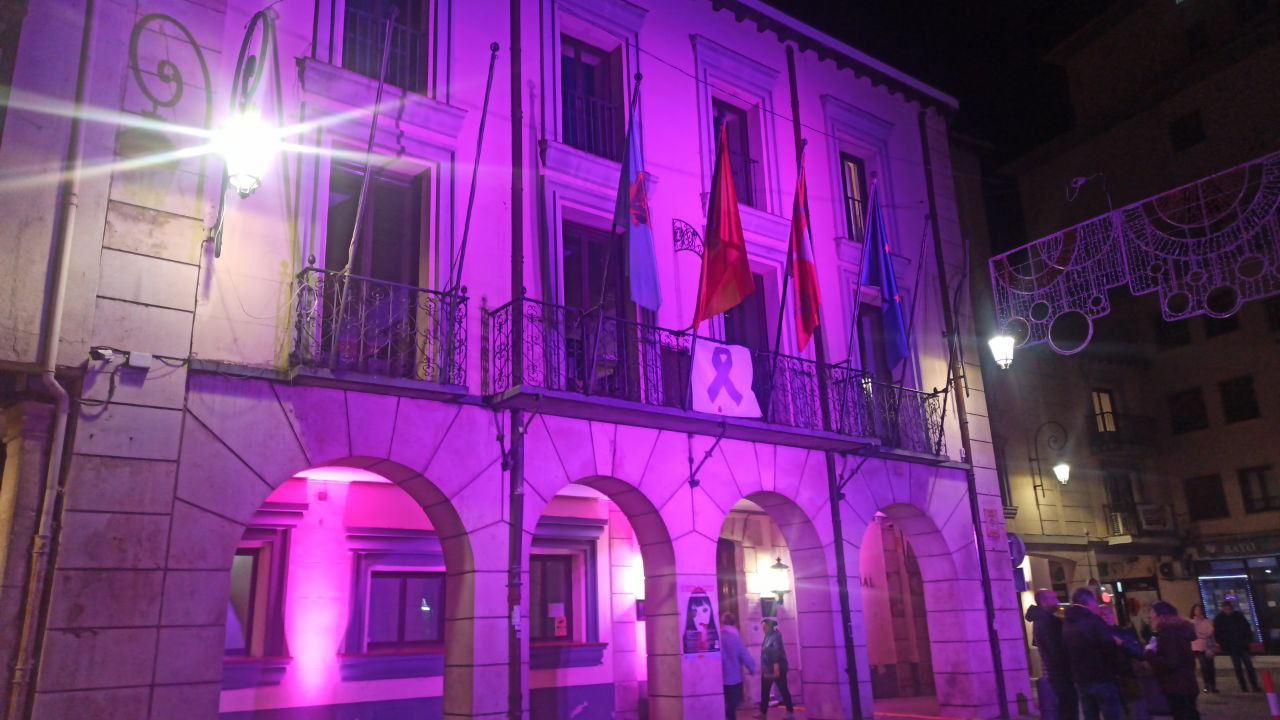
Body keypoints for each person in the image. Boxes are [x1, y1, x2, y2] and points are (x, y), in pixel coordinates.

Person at [1063, 587, 1126, 720]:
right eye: (1094, 601)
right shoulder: (1094, 621)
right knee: (1112, 714)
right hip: (1102, 677)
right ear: (1088, 602)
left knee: (1090, 715)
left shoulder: (1067, 623)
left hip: (1081, 679)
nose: (1096, 605)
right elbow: (1108, 647)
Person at [1025, 588, 1077, 720]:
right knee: (1067, 709)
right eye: (1054, 598)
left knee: (1065, 708)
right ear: (1044, 602)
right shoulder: (1047, 623)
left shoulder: (1042, 621)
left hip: (1056, 673)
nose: (1058, 601)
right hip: (1061, 674)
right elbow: (1055, 651)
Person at [1145, 602, 1200, 720]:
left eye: (1152, 615)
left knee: (1182, 714)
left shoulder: (1168, 633)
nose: (1150, 618)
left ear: (1161, 616)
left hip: (1175, 684)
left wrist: (1150, 653)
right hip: (1187, 681)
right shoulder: (1178, 631)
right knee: (1190, 713)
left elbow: (1170, 661)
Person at [1212, 601, 1260, 692]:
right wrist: (1223, 644)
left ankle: (1254, 685)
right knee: (1238, 667)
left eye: (1228, 608)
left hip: (1242, 645)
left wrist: (1248, 640)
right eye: (1225, 608)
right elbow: (1218, 633)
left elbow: (1246, 628)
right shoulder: (1219, 619)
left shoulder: (1238, 616)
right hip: (1232, 646)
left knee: (1249, 666)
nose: (1227, 610)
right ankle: (1243, 686)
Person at [721, 612, 757, 720]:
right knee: (733, 703)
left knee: (725, 703)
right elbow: (744, 655)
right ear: (734, 623)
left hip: (720, 677)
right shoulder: (736, 638)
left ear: (722, 622)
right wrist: (752, 668)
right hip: (734, 678)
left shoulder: (718, 636)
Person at [757, 618, 794, 718]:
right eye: (762, 627)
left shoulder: (776, 636)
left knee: (783, 690)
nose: (763, 629)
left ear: (769, 627)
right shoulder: (768, 636)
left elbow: (776, 651)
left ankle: (790, 712)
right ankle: (763, 713)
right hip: (768, 668)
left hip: (777, 668)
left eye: (764, 627)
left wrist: (775, 665)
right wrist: (764, 666)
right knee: (765, 690)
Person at [1189, 604, 1217, 693]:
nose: (1198, 611)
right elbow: (1193, 634)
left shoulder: (1208, 621)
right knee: (1204, 666)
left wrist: (1213, 646)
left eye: (1199, 610)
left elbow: (1210, 633)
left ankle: (1213, 685)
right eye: (1196, 610)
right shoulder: (1192, 623)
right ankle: (1207, 684)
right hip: (1197, 647)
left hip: (1208, 646)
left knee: (1210, 666)